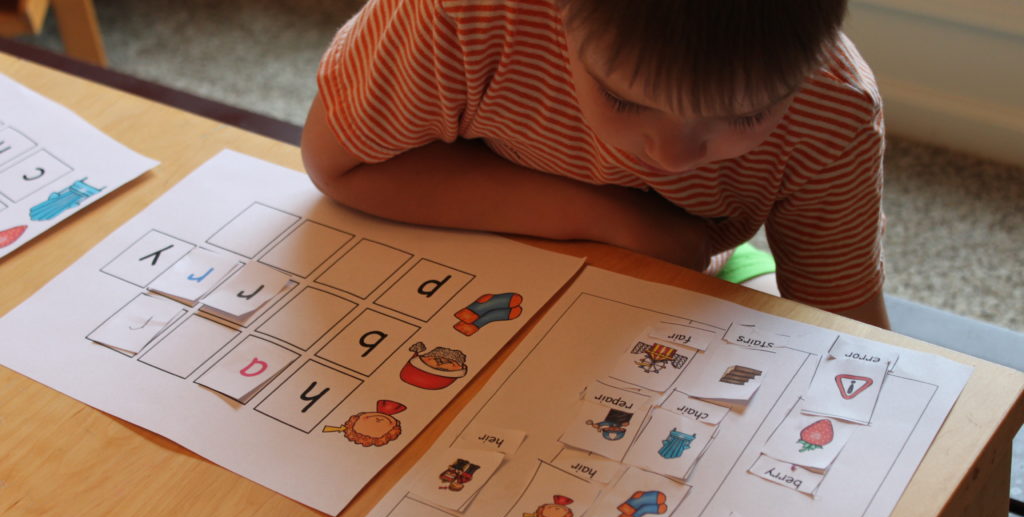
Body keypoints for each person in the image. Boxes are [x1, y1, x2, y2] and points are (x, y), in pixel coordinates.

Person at [302, 0, 890, 328]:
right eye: (625, 100)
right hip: (469, 240)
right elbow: (337, 165)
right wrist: (615, 219)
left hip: (696, 266)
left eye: (744, 117)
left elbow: (845, 324)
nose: (672, 154)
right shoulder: (460, 13)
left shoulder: (834, 111)